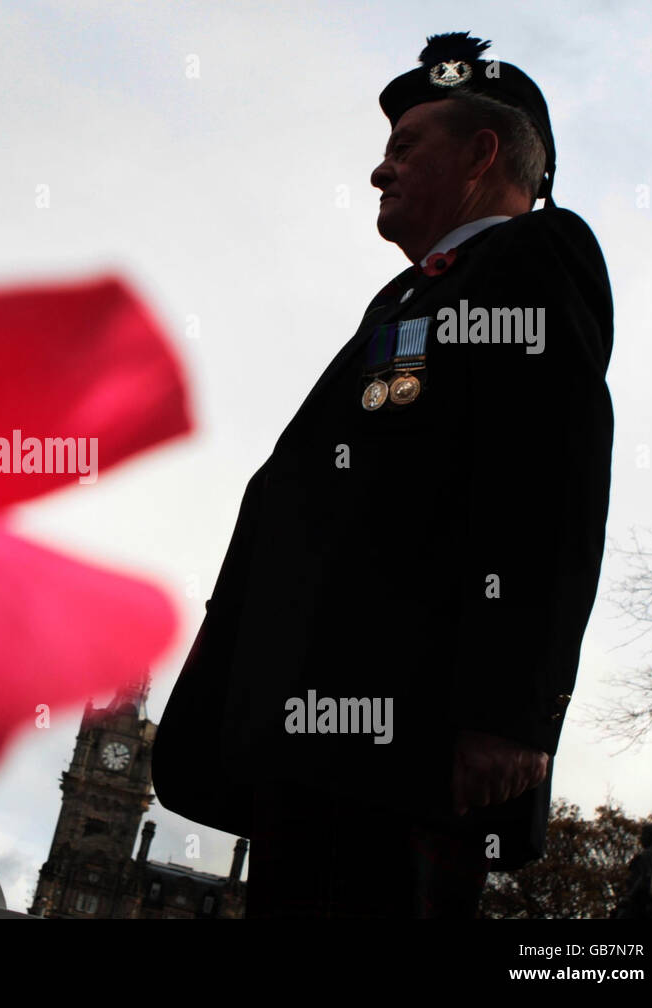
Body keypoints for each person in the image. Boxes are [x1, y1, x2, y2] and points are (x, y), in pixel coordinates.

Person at [151, 32, 613, 917]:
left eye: (407, 146)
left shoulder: (532, 256)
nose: (380, 170)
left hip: (410, 746)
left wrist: (510, 708)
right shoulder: (415, 298)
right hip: (324, 749)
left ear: (482, 154)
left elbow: (549, 473)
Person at [614, 824, 652, 919]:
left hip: (640, 903)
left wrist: (629, 897)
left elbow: (645, 878)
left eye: (643, 835)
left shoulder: (647, 855)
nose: (640, 838)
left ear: (650, 836)